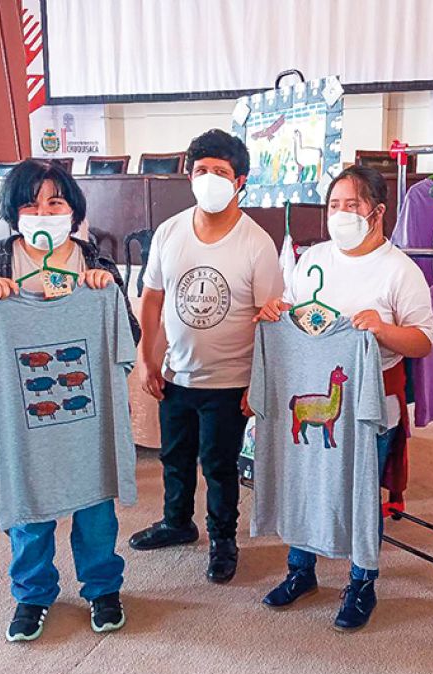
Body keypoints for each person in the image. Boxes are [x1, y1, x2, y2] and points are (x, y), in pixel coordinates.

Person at [0, 158, 139, 641]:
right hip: (21, 426)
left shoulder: (95, 263)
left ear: (73, 209)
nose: (44, 212)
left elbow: (128, 339)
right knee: (28, 513)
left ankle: (102, 588)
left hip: (89, 423)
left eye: (55, 202)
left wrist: (108, 293)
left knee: (96, 510)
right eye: (30, 204)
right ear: (13, 212)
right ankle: (32, 595)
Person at [255, 165, 433, 631]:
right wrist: (278, 310)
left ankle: (362, 580)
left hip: (372, 403)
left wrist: (383, 329)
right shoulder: (313, 259)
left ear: (377, 212)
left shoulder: (400, 269)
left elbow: (424, 341)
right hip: (311, 391)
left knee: (360, 493)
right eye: (334, 205)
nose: (340, 214)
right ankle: (300, 570)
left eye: (351, 205)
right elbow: (296, 312)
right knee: (305, 479)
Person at [128, 129, 283, 584]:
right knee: (174, 457)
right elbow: (152, 298)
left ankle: (223, 539)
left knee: (218, 465)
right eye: (201, 170)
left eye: (220, 171)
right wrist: (147, 358)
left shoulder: (256, 243)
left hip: (229, 381)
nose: (209, 178)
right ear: (189, 176)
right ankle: (177, 522)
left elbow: (270, 320)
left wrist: (258, 383)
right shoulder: (170, 231)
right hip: (176, 374)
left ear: (240, 181)